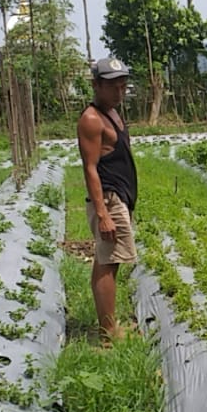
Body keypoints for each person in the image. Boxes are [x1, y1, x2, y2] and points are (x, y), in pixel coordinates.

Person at [77, 57, 139, 344]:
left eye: (123, 86)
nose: (119, 92)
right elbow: (90, 168)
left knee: (106, 261)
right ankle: (108, 334)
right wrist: (103, 213)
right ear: (96, 85)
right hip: (109, 199)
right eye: (113, 86)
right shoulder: (91, 119)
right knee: (109, 263)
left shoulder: (113, 112)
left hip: (119, 197)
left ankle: (108, 326)